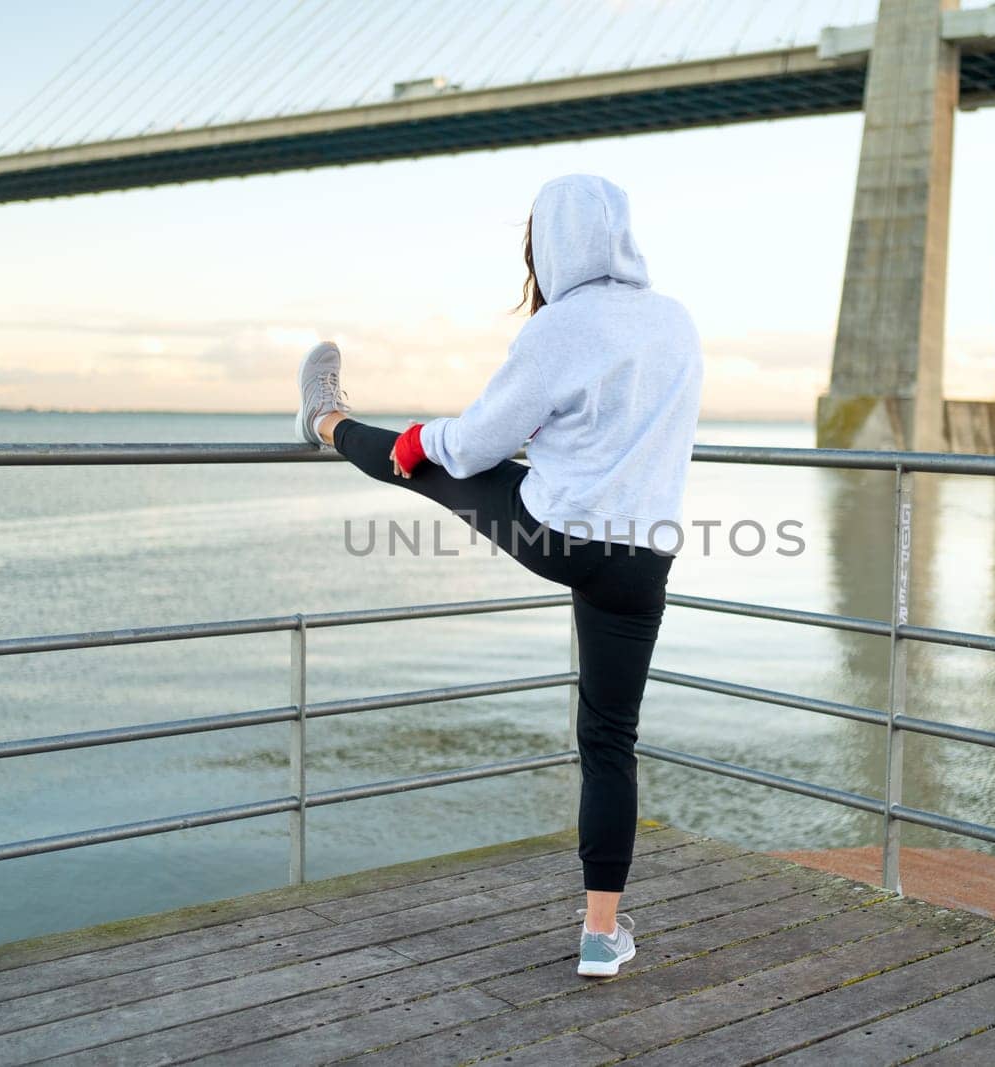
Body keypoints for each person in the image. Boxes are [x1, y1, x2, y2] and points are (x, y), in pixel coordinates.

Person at [293, 173, 703, 977]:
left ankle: (325, 418)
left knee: (430, 462)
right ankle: (600, 936)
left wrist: (417, 443)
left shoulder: (558, 327)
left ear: (548, 246)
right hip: (644, 557)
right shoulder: (677, 324)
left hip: (555, 532)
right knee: (611, 740)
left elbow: (477, 443)